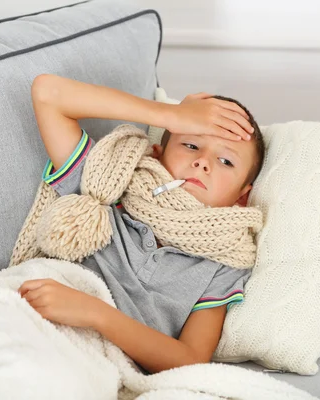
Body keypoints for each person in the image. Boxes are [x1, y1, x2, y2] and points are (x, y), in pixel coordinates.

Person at [17, 74, 265, 375]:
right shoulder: (110, 183)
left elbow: (190, 360)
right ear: (157, 155)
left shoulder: (224, 262)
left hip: (94, 363)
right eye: (190, 144)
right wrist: (170, 114)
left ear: (242, 197)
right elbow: (48, 93)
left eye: (226, 161)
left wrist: (96, 314)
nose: (203, 162)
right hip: (25, 313)